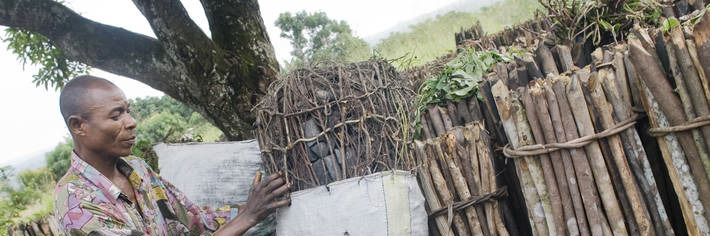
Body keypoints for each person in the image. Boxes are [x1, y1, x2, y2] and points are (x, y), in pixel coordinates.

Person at [53, 75, 290, 236]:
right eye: (116, 116)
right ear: (78, 126)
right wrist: (247, 217)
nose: (132, 122)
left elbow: (194, 221)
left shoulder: (137, 169)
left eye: (128, 111)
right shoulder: (76, 202)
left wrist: (253, 206)